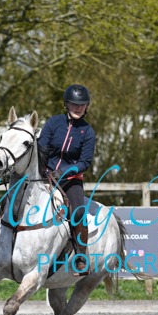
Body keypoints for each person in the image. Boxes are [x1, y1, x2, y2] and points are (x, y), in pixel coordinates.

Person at [38, 84, 96, 276]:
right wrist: (43, 170)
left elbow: (85, 162)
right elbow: (41, 148)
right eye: (74, 104)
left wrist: (63, 172)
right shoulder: (53, 123)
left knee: (78, 212)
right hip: (44, 176)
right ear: (66, 104)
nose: (78, 107)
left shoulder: (88, 131)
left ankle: (81, 257)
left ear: (86, 106)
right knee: (15, 196)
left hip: (70, 180)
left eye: (82, 104)